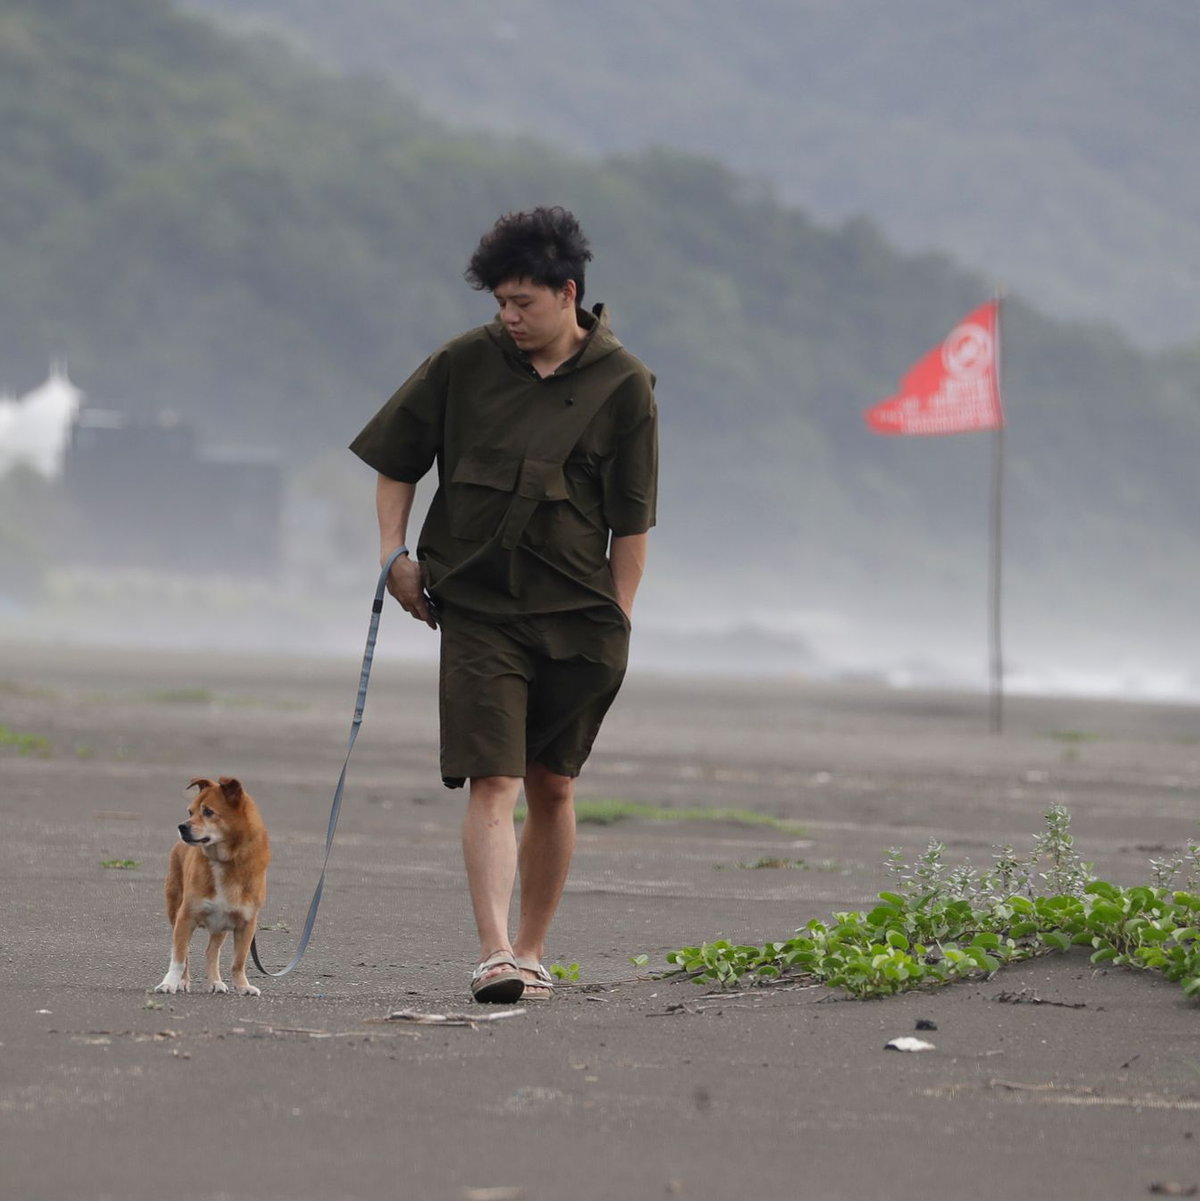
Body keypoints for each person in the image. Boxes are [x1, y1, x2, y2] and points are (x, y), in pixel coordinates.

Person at [349, 207, 657, 1003]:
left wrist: (618, 622)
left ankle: (532, 948)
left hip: (579, 616)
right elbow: (395, 461)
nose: (508, 318)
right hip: (481, 608)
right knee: (495, 778)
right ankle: (493, 953)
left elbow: (632, 522)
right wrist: (395, 553)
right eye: (499, 304)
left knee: (552, 782)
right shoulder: (463, 363)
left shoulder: (624, 385)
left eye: (522, 302)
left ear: (568, 293)